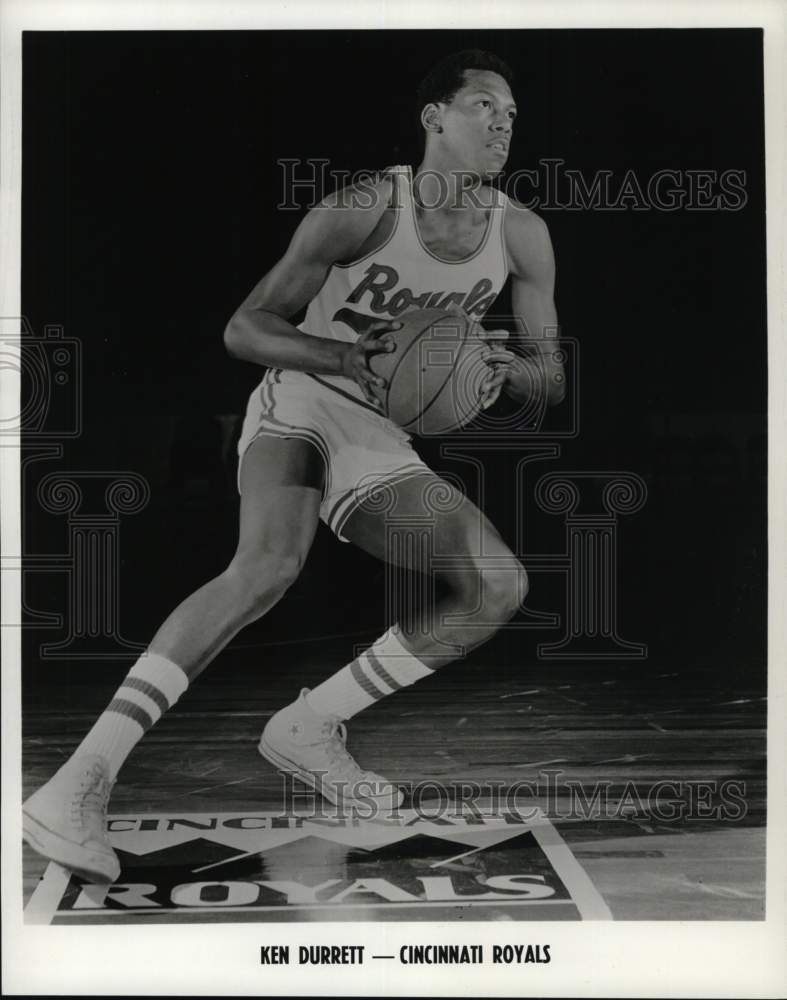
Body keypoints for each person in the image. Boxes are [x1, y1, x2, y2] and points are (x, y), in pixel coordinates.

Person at [22, 49, 565, 884]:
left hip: (379, 434)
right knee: (267, 564)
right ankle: (77, 781)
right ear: (434, 117)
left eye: (511, 114)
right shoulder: (359, 209)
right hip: (305, 400)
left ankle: (310, 726)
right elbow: (245, 328)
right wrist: (343, 360)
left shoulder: (520, 234)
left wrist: (502, 372)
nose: (502, 122)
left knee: (496, 584)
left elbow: (549, 373)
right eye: (485, 105)